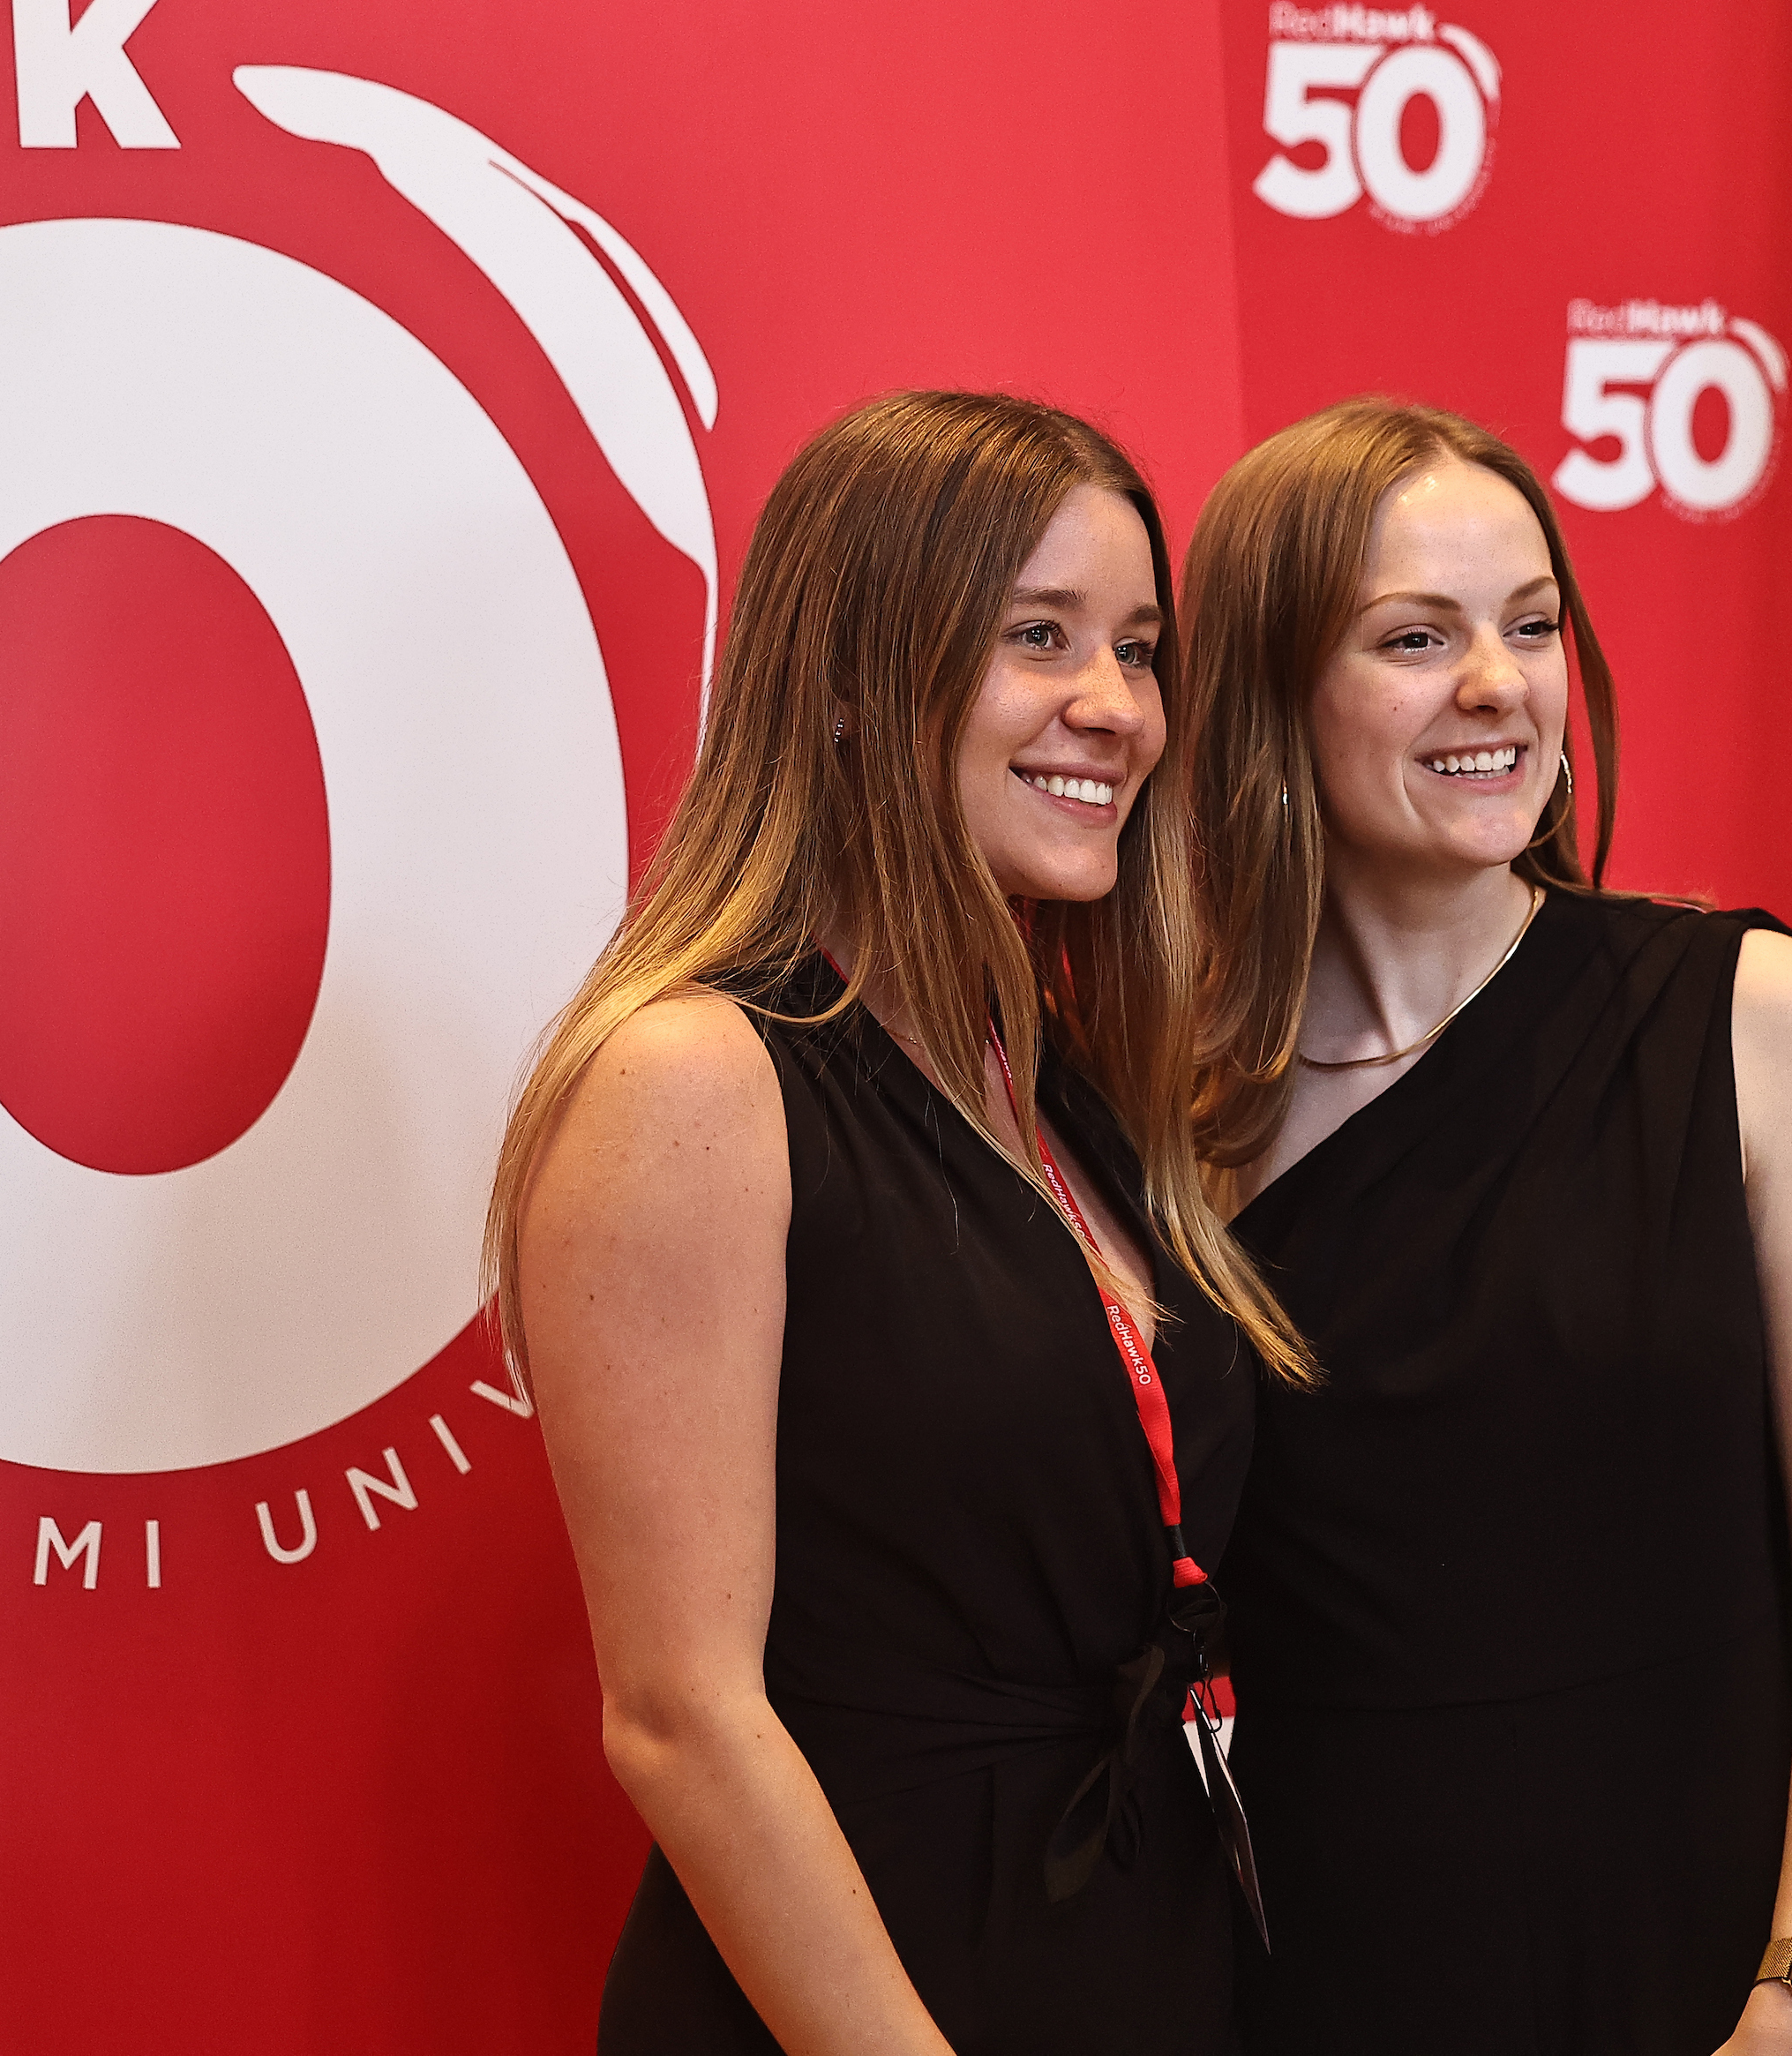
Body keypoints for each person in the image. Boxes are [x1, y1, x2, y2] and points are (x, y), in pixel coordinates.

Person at [485, 391, 1306, 2055]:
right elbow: (684, 1716)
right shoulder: (694, 1072)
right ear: (852, 686)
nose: (1116, 707)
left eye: (1140, 649)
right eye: (1040, 637)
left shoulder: (1054, 1078)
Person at [1180, 397, 1792, 2056]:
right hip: (1339, 1989)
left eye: (1531, 624)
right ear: (1269, 690)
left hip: (1724, 1986)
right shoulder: (1171, 1118)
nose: (1498, 683)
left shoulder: (1746, 1015)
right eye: (1417, 635)